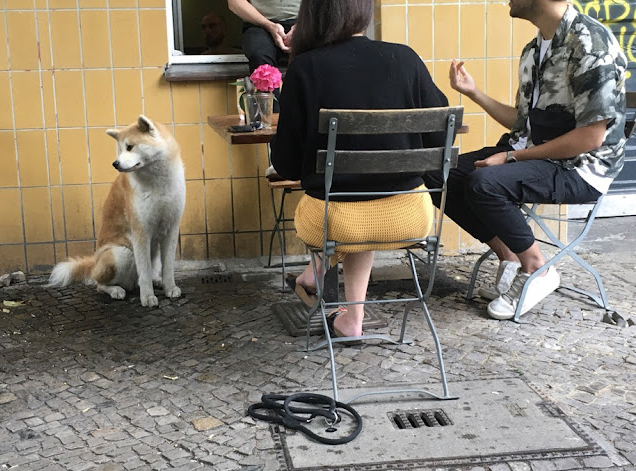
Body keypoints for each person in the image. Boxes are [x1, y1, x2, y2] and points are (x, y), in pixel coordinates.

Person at [423, 0, 627, 320]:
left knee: (484, 183)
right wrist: (474, 92)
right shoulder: (534, 49)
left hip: (580, 166)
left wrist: (511, 157)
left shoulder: (590, 44)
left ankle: (538, 268)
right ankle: (512, 256)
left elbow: (591, 138)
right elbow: (523, 124)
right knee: (436, 170)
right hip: (534, 152)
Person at [270, 0, 449, 340]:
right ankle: (352, 317)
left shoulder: (305, 69)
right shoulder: (405, 58)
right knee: (363, 197)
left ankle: (314, 273)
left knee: (345, 205)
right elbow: (439, 136)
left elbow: (287, 165)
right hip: (411, 215)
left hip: (332, 220)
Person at [227, 0, 300, 73]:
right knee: (259, 55)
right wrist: (268, 25)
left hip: (303, 23)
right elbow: (235, 2)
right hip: (260, 23)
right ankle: (266, 83)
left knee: (308, 54)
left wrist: (301, 26)